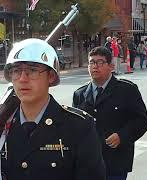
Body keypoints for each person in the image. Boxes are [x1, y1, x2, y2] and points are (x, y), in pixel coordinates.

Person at [1, 38, 106, 180]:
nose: (22, 79)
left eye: (32, 71)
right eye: (16, 71)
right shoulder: (4, 123)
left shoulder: (79, 126)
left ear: (50, 76)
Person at [72, 46, 147, 180]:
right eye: (91, 62)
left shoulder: (126, 90)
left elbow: (141, 121)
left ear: (111, 66)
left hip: (115, 162)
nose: (95, 66)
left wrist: (122, 136)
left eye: (100, 62)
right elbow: (73, 127)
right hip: (87, 164)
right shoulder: (80, 94)